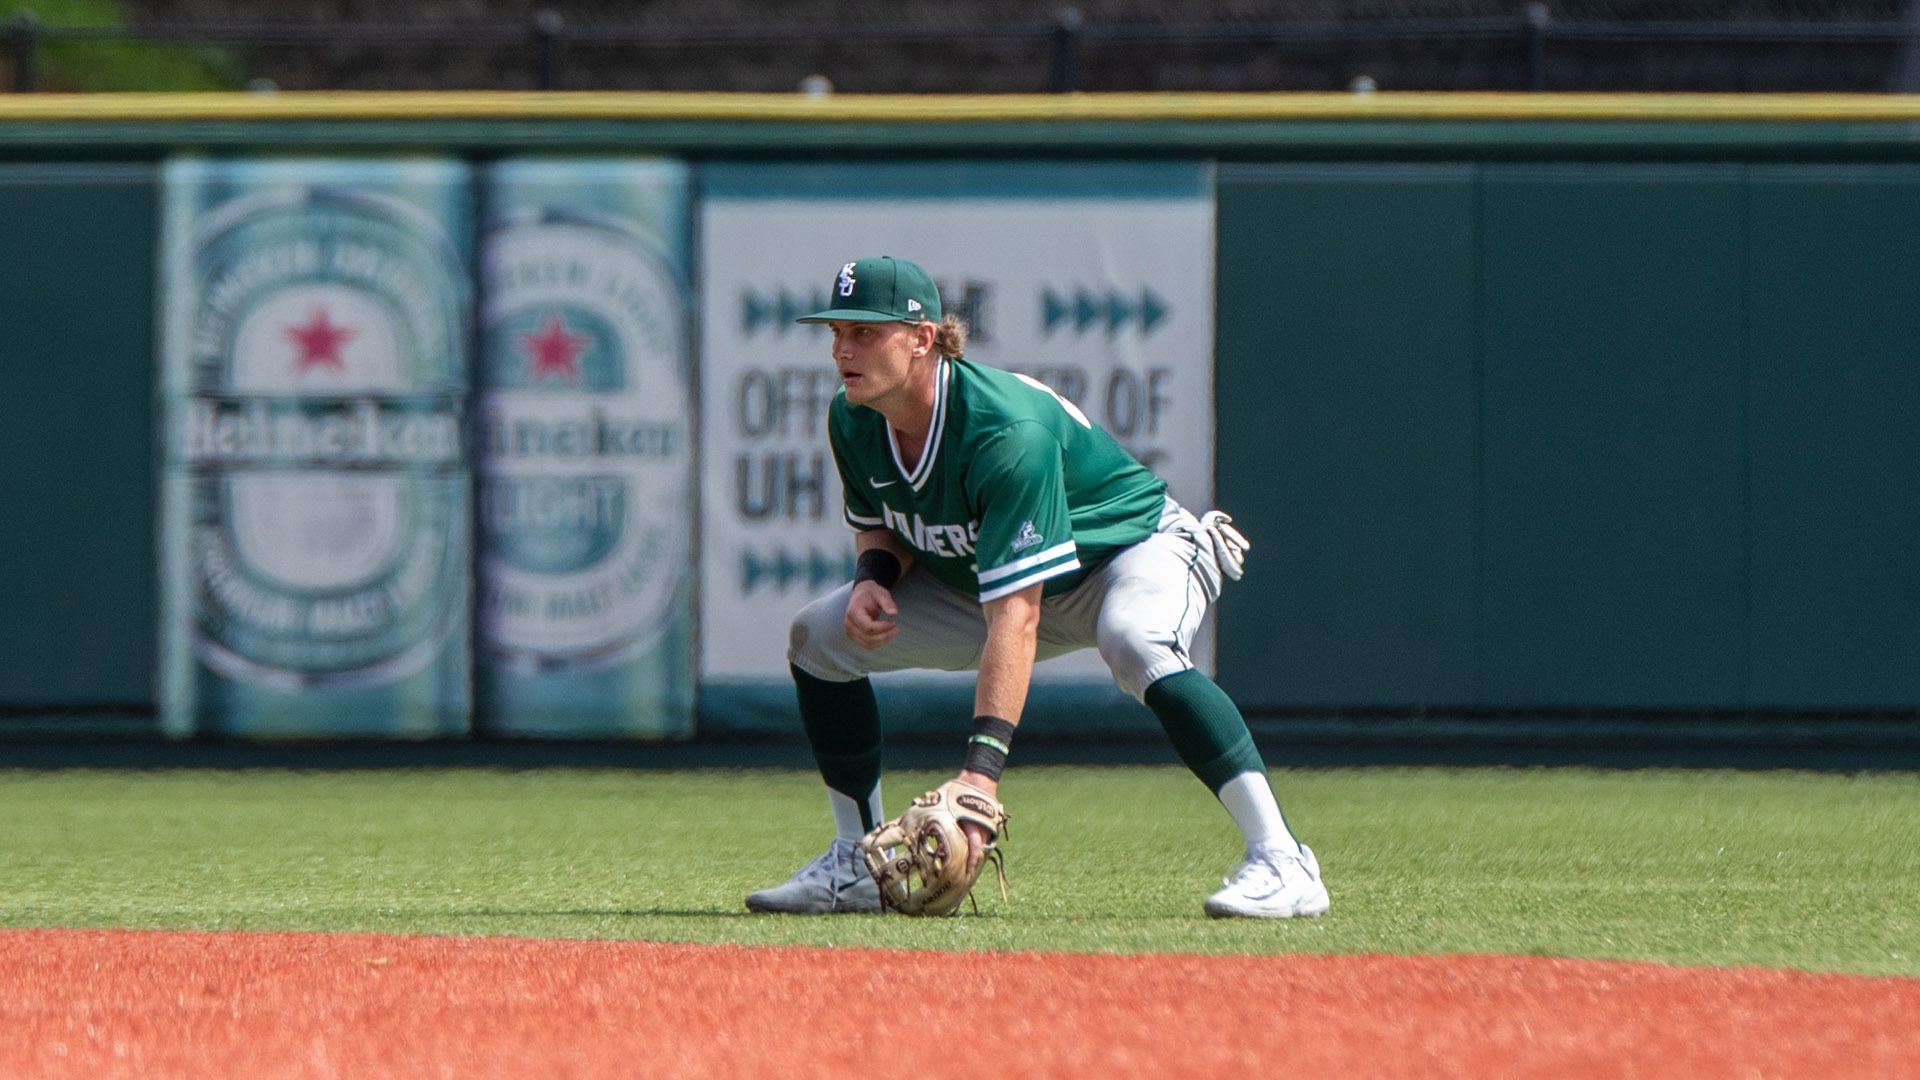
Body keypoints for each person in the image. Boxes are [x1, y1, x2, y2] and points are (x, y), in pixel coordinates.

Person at [744, 255, 1328, 919]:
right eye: (837, 332)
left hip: (1126, 553)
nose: (843, 350)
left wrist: (980, 777)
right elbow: (884, 521)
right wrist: (871, 579)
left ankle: (1283, 858)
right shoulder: (854, 417)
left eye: (865, 332)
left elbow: (1016, 618)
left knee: (1135, 641)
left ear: (923, 338)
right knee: (817, 638)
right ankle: (856, 864)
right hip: (991, 581)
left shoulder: (1005, 432)